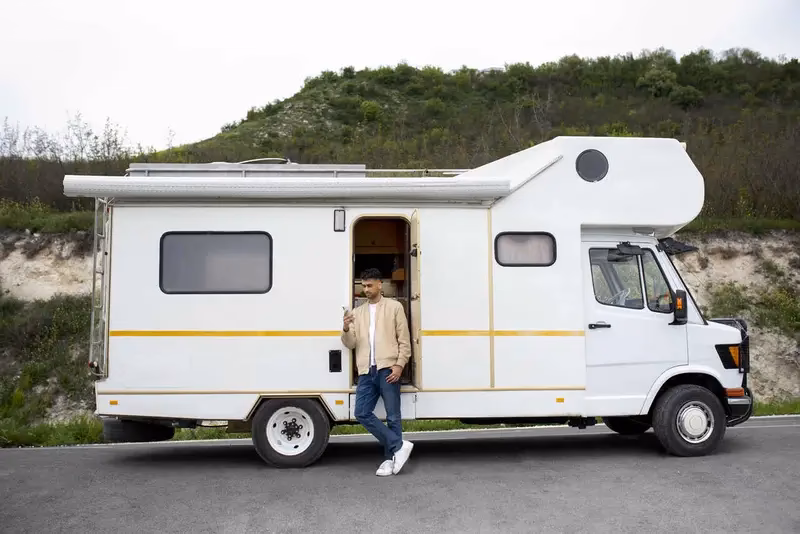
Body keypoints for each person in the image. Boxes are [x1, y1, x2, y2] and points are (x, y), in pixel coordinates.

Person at [342, 268, 414, 476]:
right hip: (366, 371)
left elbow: (404, 340)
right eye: (363, 286)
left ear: (380, 284)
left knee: (393, 417)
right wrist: (345, 329)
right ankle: (398, 446)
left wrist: (399, 365)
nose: (366, 289)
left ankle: (390, 461)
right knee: (361, 412)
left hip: (388, 368)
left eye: (369, 285)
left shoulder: (394, 307)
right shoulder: (357, 313)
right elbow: (350, 343)